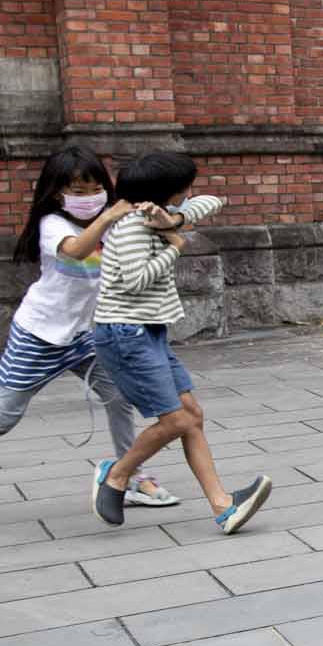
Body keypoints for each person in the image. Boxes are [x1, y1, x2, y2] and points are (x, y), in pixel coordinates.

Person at [0, 147, 177, 533]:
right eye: (77, 191)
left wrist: (161, 219)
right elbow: (77, 250)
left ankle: (128, 475)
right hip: (40, 334)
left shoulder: (116, 220)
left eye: (95, 188)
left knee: (119, 398)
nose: (89, 198)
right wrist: (108, 216)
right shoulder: (54, 224)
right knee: (5, 414)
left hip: (87, 335)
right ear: (56, 193)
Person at [89, 152, 272, 533]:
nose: (192, 192)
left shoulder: (161, 216)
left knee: (192, 415)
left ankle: (223, 507)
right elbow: (136, 281)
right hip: (125, 333)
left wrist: (174, 219)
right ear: (168, 191)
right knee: (174, 419)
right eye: (185, 188)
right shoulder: (131, 229)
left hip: (147, 330)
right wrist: (175, 245)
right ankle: (116, 473)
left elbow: (213, 202)